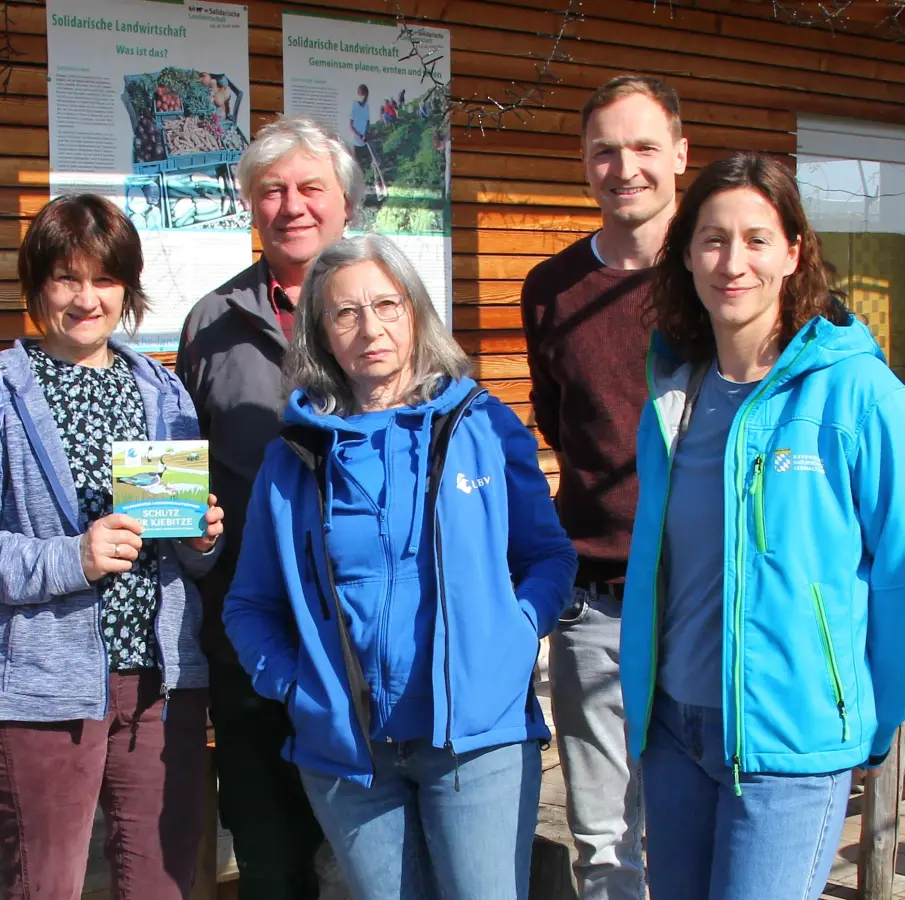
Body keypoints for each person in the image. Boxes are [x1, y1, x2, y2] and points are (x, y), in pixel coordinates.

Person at [623, 152, 905, 900]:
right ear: (685, 253)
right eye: (712, 239)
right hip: (676, 730)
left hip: (791, 740)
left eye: (756, 238)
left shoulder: (858, 393)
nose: (732, 261)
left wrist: (871, 711)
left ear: (795, 250)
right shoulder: (676, 392)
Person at [225, 235, 577, 900]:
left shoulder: (485, 426)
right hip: (351, 756)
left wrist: (512, 634)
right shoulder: (295, 455)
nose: (371, 328)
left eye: (387, 304)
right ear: (321, 334)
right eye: (346, 313)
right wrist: (299, 688)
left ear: (416, 312)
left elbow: (546, 556)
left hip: (479, 739)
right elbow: (250, 605)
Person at [0, 194, 224, 900]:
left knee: (162, 885)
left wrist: (202, 537)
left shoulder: (164, 391)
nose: (87, 299)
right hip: (40, 687)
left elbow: (179, 548)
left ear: (127, 288)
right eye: (66, 278)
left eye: (105, 279)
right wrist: (72, 558)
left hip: (160, 679)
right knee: (46, 886)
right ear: (37, 287)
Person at [176, 115, 360, 900]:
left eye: (311, 188)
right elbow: (183, 475)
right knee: (268, 858)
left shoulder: (387, 311)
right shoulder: (211, 323)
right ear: (250, 207)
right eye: (272, 191)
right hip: (248, 639)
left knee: (367, 857)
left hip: (364, 639)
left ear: (344, 203)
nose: (293, 206)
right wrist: (198, 544)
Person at [520, 74, 688, 900]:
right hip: (599, 600)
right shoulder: (550, 290)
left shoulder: (716, 275)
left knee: (703, 823)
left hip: (708, 596)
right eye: (605, 151)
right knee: (606, 841)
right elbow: (562, 424)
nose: (626, 167)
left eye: (644, 147)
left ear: (680, 155)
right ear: (585, 166)